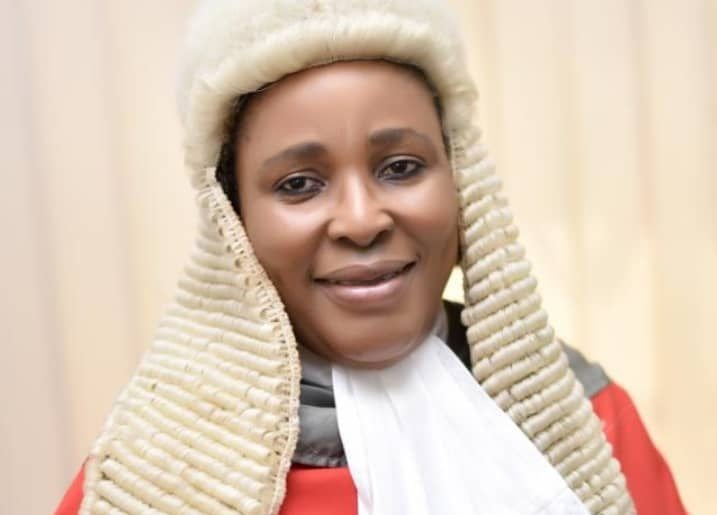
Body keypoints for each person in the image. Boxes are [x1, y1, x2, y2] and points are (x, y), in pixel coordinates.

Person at [56, 0, 686, 514]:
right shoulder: (149, 482)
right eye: (298, 184)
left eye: (401, 167)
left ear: (461, 181)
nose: (361, 220)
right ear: (233, 220)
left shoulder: (594, 423)